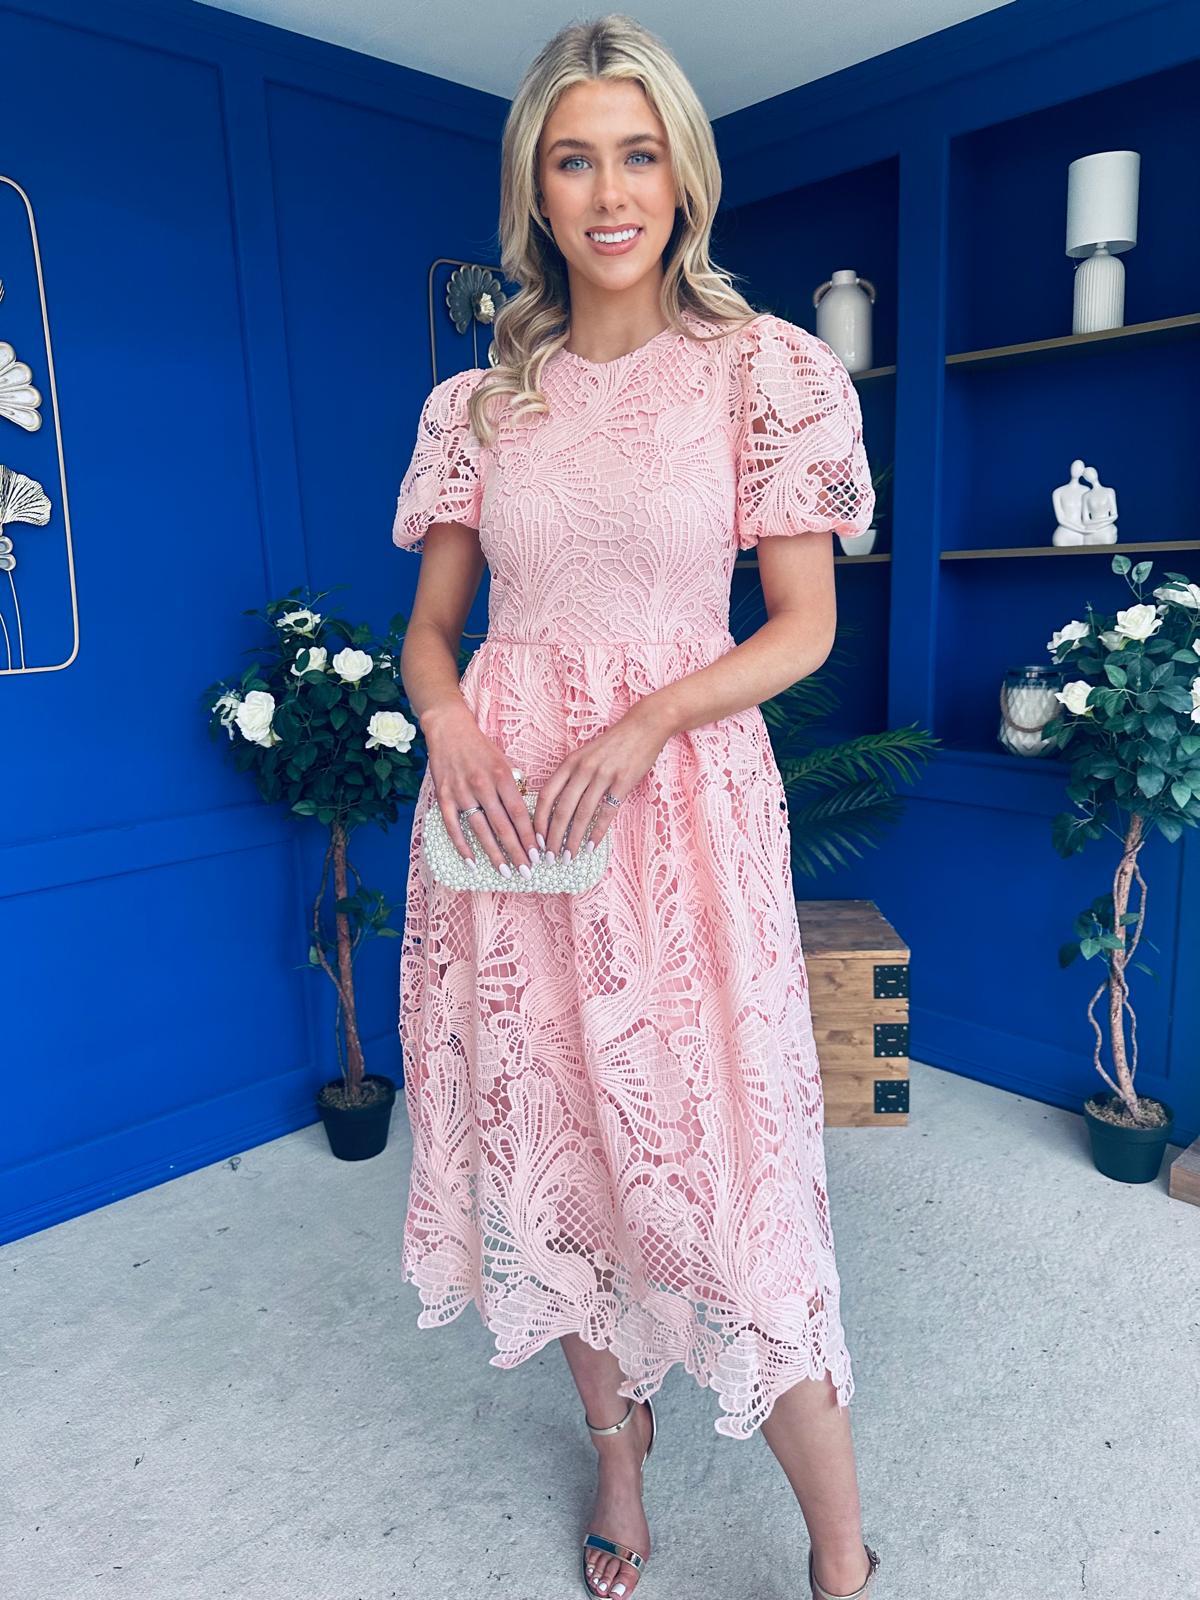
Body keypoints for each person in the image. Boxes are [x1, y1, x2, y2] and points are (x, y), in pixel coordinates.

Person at [391, 15, 881, 1600]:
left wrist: (652, 716)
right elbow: (431, 631)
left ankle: (841, 1552)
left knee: (730, 1171)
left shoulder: (763, 372)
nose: (610, 193)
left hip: (679, 819)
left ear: (684, 175)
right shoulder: (477, 405)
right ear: (535, 188)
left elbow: (801, 629)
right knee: (560, 1148)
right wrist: (448, 716)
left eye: (639, 154)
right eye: (574, 159)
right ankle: (617, 1443)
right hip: (510, 824)